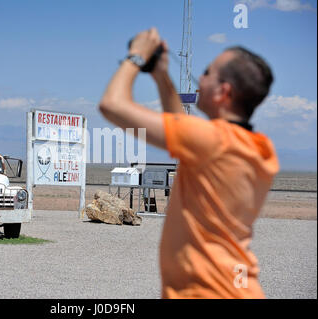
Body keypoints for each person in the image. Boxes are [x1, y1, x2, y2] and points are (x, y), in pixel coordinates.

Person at [99, 28, 279, 299]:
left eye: (206, 73)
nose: (199, 79)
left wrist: (136, 56)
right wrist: (161, 75)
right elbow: (182, 127)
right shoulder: (257, 148)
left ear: (223, 92)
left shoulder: (209, 141)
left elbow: (112, 105)